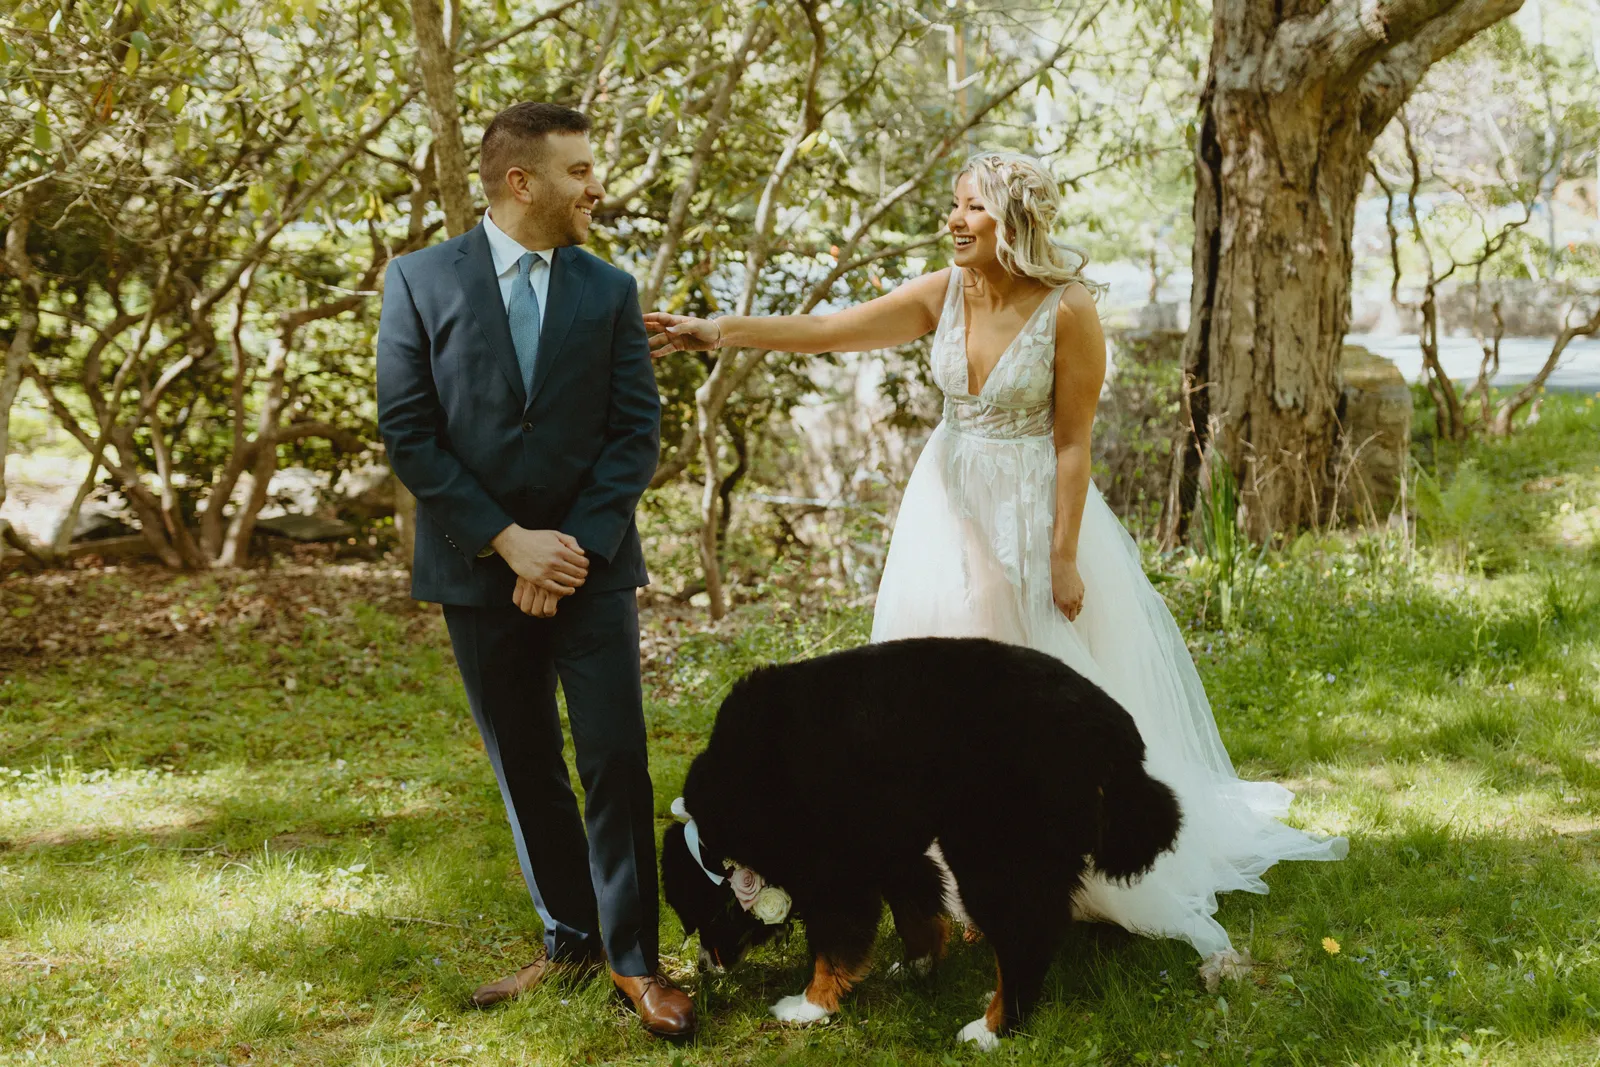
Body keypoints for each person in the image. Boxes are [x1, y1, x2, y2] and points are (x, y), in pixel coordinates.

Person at [645, 151, 1346, 980]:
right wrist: (720, 330)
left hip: (1031, 509)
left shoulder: (1069, 309)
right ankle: (952, 870)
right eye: (952, 205)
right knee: (930, 695)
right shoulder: (943, 292)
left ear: (1014, 218)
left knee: (1034, 685)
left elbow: (1075, 440)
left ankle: (1061, 856)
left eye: (970, 208)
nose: (953, 221)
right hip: (946, 507)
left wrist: (1061, 555)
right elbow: (834, 330)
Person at [377, 101, 694, 1037]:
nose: (597, 186)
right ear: (523, 182)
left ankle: (636, 960)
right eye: (580, 171)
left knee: (614, 757)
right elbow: (410, 430)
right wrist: (506, 540)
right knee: (524, 761)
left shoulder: (608, 289)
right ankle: (569, 939)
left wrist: (571, 550)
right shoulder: (419, 280)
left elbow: (636, 434)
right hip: (476, 571)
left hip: (590, 571)